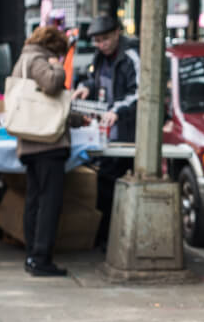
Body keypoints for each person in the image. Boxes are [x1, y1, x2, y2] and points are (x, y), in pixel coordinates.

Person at [11, 26, 86, 277]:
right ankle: (41, 258)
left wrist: (73, 119)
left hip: (30, 142)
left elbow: (46, 105)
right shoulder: (38, 60)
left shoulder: (24, 59)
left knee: (34, 201)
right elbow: (53, 85)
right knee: (48, 203)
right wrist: (56, 65)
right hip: (47, 144)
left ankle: (32, 255)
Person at [71, 14, 140, 247]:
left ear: (117, 33)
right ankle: (103, 238)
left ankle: (111, 239)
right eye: (97, 41)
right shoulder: (99, 57)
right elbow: (94, 80)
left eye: (105, 40)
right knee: (105, 183)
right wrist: (85, 88)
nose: (101, 45)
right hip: (106, 132)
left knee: (114, 183)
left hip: (128, 133)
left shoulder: (131, 56)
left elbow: (140, 91)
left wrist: (118, 110)